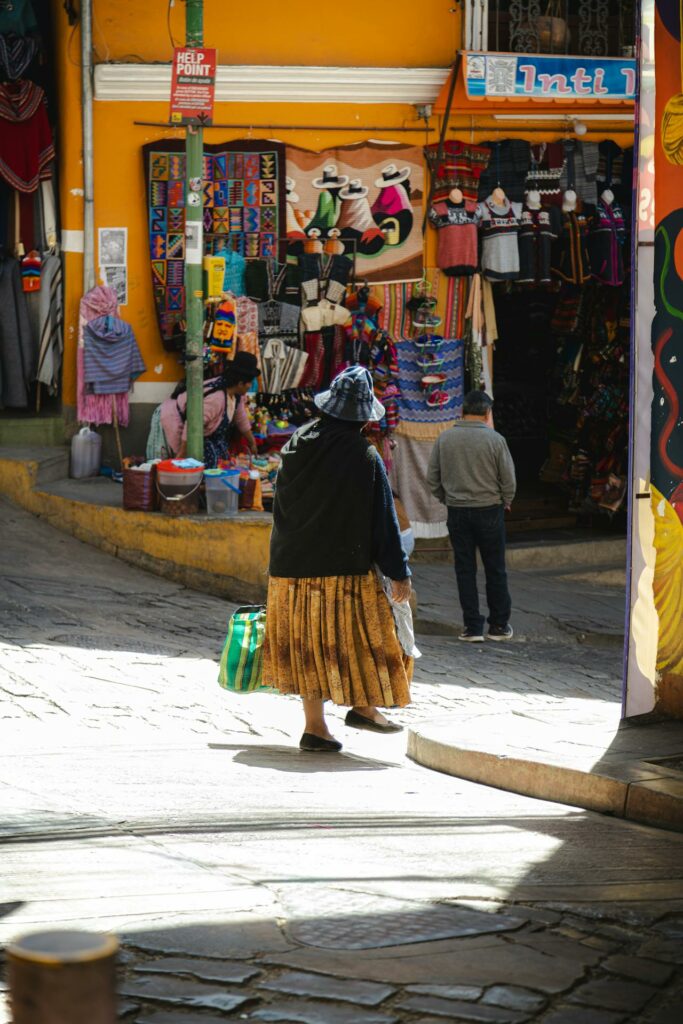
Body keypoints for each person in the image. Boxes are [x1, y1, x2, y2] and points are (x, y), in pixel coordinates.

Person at [263, 365, 413, 753]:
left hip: (290, 570)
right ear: (364, 416)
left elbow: (280, 504)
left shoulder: (296, 443)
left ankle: (316, 727)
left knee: (309, 648)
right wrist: (400, 573)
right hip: (342, 571)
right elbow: (384, 522)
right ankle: (364, 707)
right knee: (369, 638)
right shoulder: (364, 456)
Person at [427, 389, 516, 642]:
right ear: (487, 413)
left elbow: (432, 478)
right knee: (495, 569)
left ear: (462, 412)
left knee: (465, 569)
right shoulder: (496, 440)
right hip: (489, 510)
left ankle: (472, 627)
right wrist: (506, 500)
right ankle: (498, 626)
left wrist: (447, 498)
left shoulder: (445, 439)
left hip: (457, 511)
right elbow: (508, 480)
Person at [156, 352, 260, 468]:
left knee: (221, 457)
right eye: (250, 383)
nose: (250, 386)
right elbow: (193, 425)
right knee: (196, 464)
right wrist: (181, 457)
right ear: (240, 383)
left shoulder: (234, 392)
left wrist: (252, 443)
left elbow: (241, 419)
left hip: (197, 427)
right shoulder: (216, 399)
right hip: (175, 419)